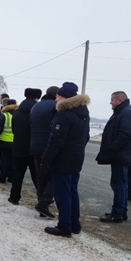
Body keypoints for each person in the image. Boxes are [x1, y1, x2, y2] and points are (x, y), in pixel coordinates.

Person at [41, 82, 90, 237]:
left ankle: (64, 226)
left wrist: (46, 160)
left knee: (62, 194)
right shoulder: (83, 113)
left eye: (59, 96)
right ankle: (75, 224)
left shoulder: (63, 114)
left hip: (62, 160)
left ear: (66, 98)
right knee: (72, 192)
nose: (56, 99)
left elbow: (56, 141)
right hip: (76, 159)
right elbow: (86, 137)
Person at [96, 91, 131, 222]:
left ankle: (117, 213)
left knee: (118, 184)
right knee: (121, 184)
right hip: (123, 154)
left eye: (112, 100)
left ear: (119, 100)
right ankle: (121, 212)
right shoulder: (124, 111)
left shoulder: (126, 112)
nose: (110, 102)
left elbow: (126, 134)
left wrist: (112, 149)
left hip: (121, 155)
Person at [8, 88, 41, 205]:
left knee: (17, 174)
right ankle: (42, 200)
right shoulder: (38, 111)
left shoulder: (17, 112)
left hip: (18, 147)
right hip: (33, 148)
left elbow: (13, 130)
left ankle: (14, 197)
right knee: (37, 176)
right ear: (37, 97)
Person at [30, 86, 59, 218]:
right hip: (49, 146)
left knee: (41, 177)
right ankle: (44, 202)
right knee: (54, 176)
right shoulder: (56, 106)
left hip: (35, 145)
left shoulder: (36, 106)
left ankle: (42, 204)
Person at [0, 99, 18, 183]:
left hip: (4, 140)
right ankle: (11, 177)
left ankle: (2, 177)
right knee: (12, 161)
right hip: (15, 141)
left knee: (4, 160)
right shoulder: (18, 114)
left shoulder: (4, 115)